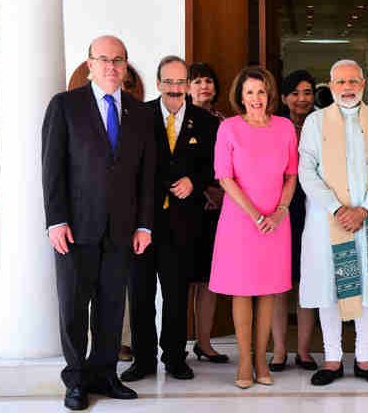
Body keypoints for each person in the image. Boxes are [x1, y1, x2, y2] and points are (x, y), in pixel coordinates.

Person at [41, 35, 156, 410]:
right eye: (103, 59)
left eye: (118, 60)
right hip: (75, 228)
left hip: (122, 230)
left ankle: (105, 374)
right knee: (73, 307)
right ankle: (75, 380)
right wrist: (55, 220)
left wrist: (144, 225)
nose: (111, 66)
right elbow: (52, 169)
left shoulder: (140, 114)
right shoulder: (65, 106)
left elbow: (147, 176)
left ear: (126, 67)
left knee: (110, 307)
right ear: (89, 64)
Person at [299, 59, 368, 386]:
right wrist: (336, 208)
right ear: (330, 85)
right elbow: (306, 170)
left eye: (353, 81)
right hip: (329, 219)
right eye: (340, 82)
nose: (347, 87)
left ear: (363, 84)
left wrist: (365, 208)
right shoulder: (315, 123)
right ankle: (331, 359)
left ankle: (365, 358)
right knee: (330, 286)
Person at [120, 56, 218, 383]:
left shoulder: (205, 122)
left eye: (181, 82)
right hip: (143, 223)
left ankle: (175, 357)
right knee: (141, 294)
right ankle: (143, 359)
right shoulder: (138, 115)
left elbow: (212, 166)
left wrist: (195, 181)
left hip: (183, 223)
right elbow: (128, 164)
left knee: (176, 294)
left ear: (188, 85)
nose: (175, 89)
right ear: (159, 83)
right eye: (169, 82)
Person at [209, 66, 298, 389]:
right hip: (240, 221)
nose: (256, 98)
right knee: (242, 289)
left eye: (261, 92)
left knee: (269, 291)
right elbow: (224, 177)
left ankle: (262, 358)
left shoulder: (285, 127)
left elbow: (291, 174)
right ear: (240, 97)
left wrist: (279, 212)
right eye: (250, 93)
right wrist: (255, 214)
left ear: (269, 94)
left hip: (276, 221)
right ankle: (244, 362)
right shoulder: (229, 128)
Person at [270, 70, 318, 372]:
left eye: (308, 92)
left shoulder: (323, 123)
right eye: (296, 93)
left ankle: (302, 350)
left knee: (306, 281)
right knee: (278, 282)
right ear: (285, 97)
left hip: (313, 209)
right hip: (279, 207)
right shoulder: (273, 125)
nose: (302, 99)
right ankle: (277, 350)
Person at [186, 62, 229, 363]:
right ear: (187, 87)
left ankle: (204, 341)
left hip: (220, 210)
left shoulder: (225, 121)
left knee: (209, 278)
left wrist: (221, 192)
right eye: (198, 81)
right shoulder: (179, 119)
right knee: (184, 280)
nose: (204, 86)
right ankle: (177, 343)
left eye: (209, 81)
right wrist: (204, 189)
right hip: (187, 207)